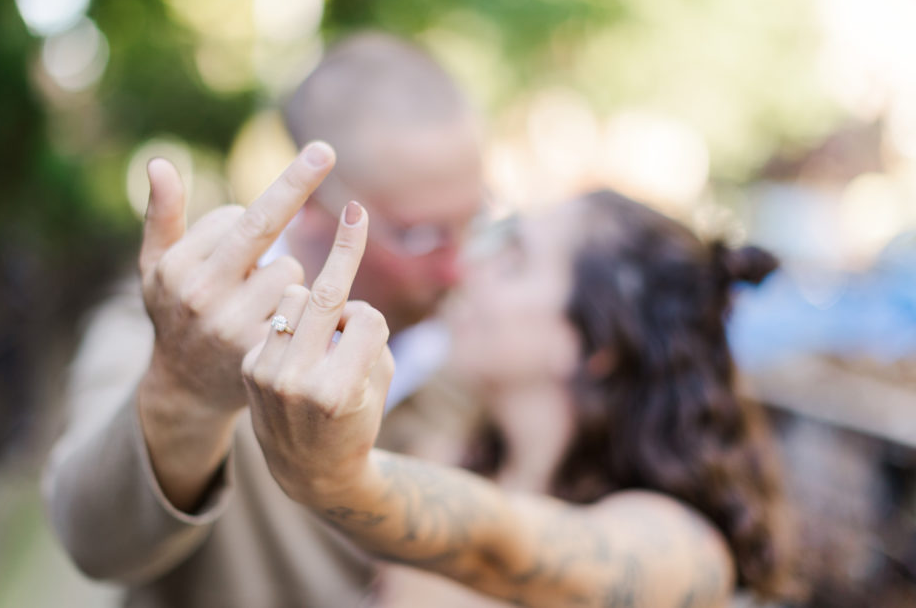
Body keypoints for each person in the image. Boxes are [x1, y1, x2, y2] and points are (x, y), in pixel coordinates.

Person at [43, 34, 483, 606]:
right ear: (316, 207)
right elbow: (94, 541)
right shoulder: (175, 329)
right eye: (420, 235)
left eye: (474, 222)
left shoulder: (492, 344)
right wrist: (183, 394)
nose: (458, 269)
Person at [242, 190, 802, 607]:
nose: (466, 267)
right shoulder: (445, 452)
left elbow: (496, 546)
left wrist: (340, 478)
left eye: (514, 261)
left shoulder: (680, 548)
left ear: (593, 345)